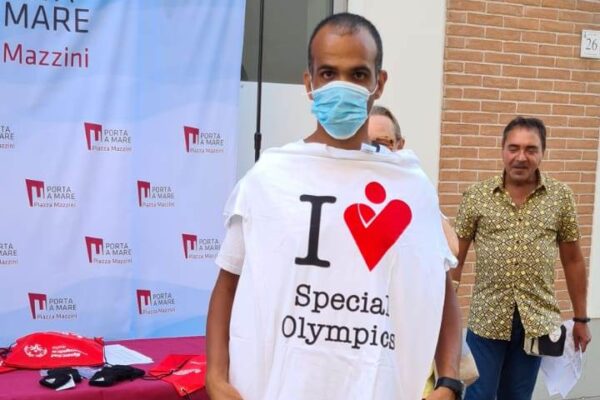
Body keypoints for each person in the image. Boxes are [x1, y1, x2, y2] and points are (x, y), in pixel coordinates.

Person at [206, 13, 463, 400]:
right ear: (308, 82)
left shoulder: (411, 188)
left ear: (379, 83)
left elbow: (440, 292)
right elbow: (227, 285)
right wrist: (215, 376)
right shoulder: (269, 179)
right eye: (328, 73)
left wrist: (449, 381)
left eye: (358, 74)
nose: (342, 87)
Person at [451, 116, 592, 400]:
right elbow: (456, 258)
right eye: (513, 148)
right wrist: (445, 314)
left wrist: (581, 318)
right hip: (487, 319)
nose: (521, 157)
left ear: (543, 152)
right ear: (502, 149)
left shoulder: (560, 197)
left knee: (516, 396)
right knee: (477, 395)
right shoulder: (477, 196)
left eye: (531, 149)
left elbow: (573, 260)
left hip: (535, 322)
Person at [367, 107, 460, 398]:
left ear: (400, 145)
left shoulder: (415, 194)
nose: (374, 151)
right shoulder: (338, 191)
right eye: (366, 144)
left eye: (382, 143)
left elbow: (451, 250)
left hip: (407, 358)